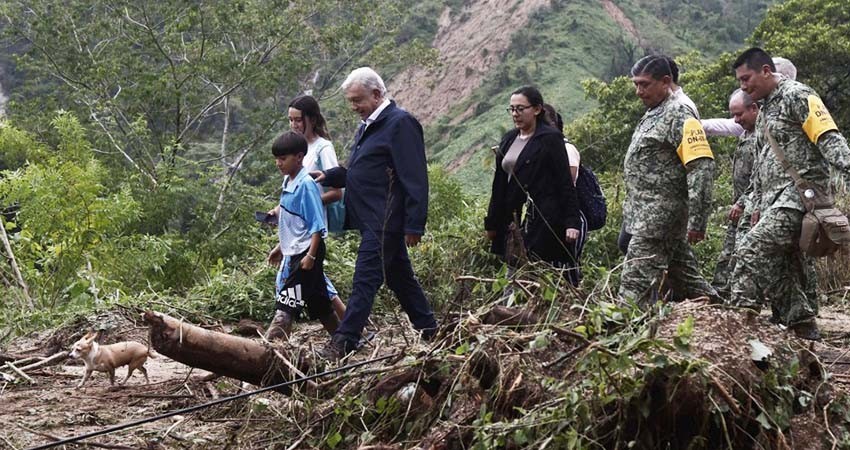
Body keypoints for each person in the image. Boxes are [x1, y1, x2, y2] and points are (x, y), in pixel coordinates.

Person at [314, 67, 437, 358]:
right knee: (399, 278)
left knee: (365, 279)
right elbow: (359, 171)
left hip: (386, 218)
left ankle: (344, 341)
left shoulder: (400, 123)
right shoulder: (368, 126)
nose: (353, 107)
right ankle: (430, 329)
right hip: (371, 218)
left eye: (357, 100)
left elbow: (415, 177)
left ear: (377, 94)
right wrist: (329, 175)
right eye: (351, 101)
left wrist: (414, 225)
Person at [728, 47, 850, 339]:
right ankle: (803, 328)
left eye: (746, 79)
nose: (743, 87)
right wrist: (756, 204)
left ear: (766, 71)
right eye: (740, 81)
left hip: (798, 199)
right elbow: (762, 163)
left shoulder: (798, 95)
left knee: (749, 251)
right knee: (780, 267)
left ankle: (737, 329)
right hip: (773, 201)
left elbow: (829, 139)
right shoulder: (766, 107)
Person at [618, 55, 719, 306]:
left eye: (645, 84)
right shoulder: (655, 111)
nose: (639, 91)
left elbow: (701, 167)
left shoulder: (680, 113)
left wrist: (698, 219)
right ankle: (723, 311)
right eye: (636, 84)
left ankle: (621, 321)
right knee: (686, 279)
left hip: (659, 219)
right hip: (645, 214)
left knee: (634, 285)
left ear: (665, 81)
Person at [484, 88, 581, 285]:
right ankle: (513, 303)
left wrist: (572, 222)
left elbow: (564, 182)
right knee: (513, 268)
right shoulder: (509, 138)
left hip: (543, 216)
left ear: (536, 109)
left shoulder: (550, 138)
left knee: (539, 270)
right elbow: (499, 185)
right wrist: (492, 222)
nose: (515, 114)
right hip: (512, 216)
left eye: (520, 109)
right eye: (512, 109)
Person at [271, 95, 346, 322]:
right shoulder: (292, 150)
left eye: (298, 120)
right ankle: (351, 331)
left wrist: (308, 203)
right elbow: (293, 196)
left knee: (290, 291)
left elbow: (336, 191)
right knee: (319, 292)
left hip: (310, 232)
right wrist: (280, 210)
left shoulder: (322, 148)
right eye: (290, 120)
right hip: (296, 231)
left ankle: (279, 328)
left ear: (311, 119)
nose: (294, 125)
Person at [265, 132, 339, 340]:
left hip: (307, 250)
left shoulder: (306, 185)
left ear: (299, 157)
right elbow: (293, 225)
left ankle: (272, 347)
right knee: (319, 303)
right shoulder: (288, 182)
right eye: (276, 159)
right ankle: (344, 341)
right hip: (297, 249)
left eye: (283, 158)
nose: (278, 164)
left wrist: (311, 256)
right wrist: (281, 248)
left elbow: (316, 225)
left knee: (286, 302)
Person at [709, 89, 758, 295]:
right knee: (728, 254)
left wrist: (743, 202)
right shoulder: (746, 132)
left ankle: (743, 299)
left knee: (744, 255)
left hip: (754, 207)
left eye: (739, 114)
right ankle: (720, 295)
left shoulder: (765, 135)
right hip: (739, 208)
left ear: (754, 109)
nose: (736, 120)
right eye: (734, 115)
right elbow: (719, 126)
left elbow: (761, 177)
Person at [702, 57, 798, 138]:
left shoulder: (796, 101)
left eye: (771, 73)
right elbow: (726, 126)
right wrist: (698, 125)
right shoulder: (762, 109)